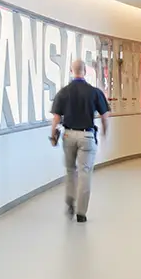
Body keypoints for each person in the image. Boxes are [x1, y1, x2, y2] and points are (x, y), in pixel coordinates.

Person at [50, 59, 111, 223]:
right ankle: (81, 213)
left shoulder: (63, 92)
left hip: (68, 135)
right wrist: (105, 133)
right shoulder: (94, 92)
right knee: (85, 174)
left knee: (71, 170)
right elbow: (105, 116)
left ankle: (70, 200)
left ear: (72, 71)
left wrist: (53, 136)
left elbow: (56, 118)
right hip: (87, 136)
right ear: (85, 71)